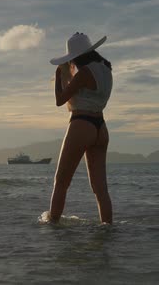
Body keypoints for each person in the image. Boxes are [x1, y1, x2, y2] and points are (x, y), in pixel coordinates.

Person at [47, 32, 113, 224]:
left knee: (60, 183)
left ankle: (53, 227)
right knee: (100, 189)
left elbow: (60, 100)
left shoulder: (84, 73)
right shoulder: (106, 70)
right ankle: (107, 229)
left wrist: (60, 74)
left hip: (81, 124)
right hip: (101, 127)